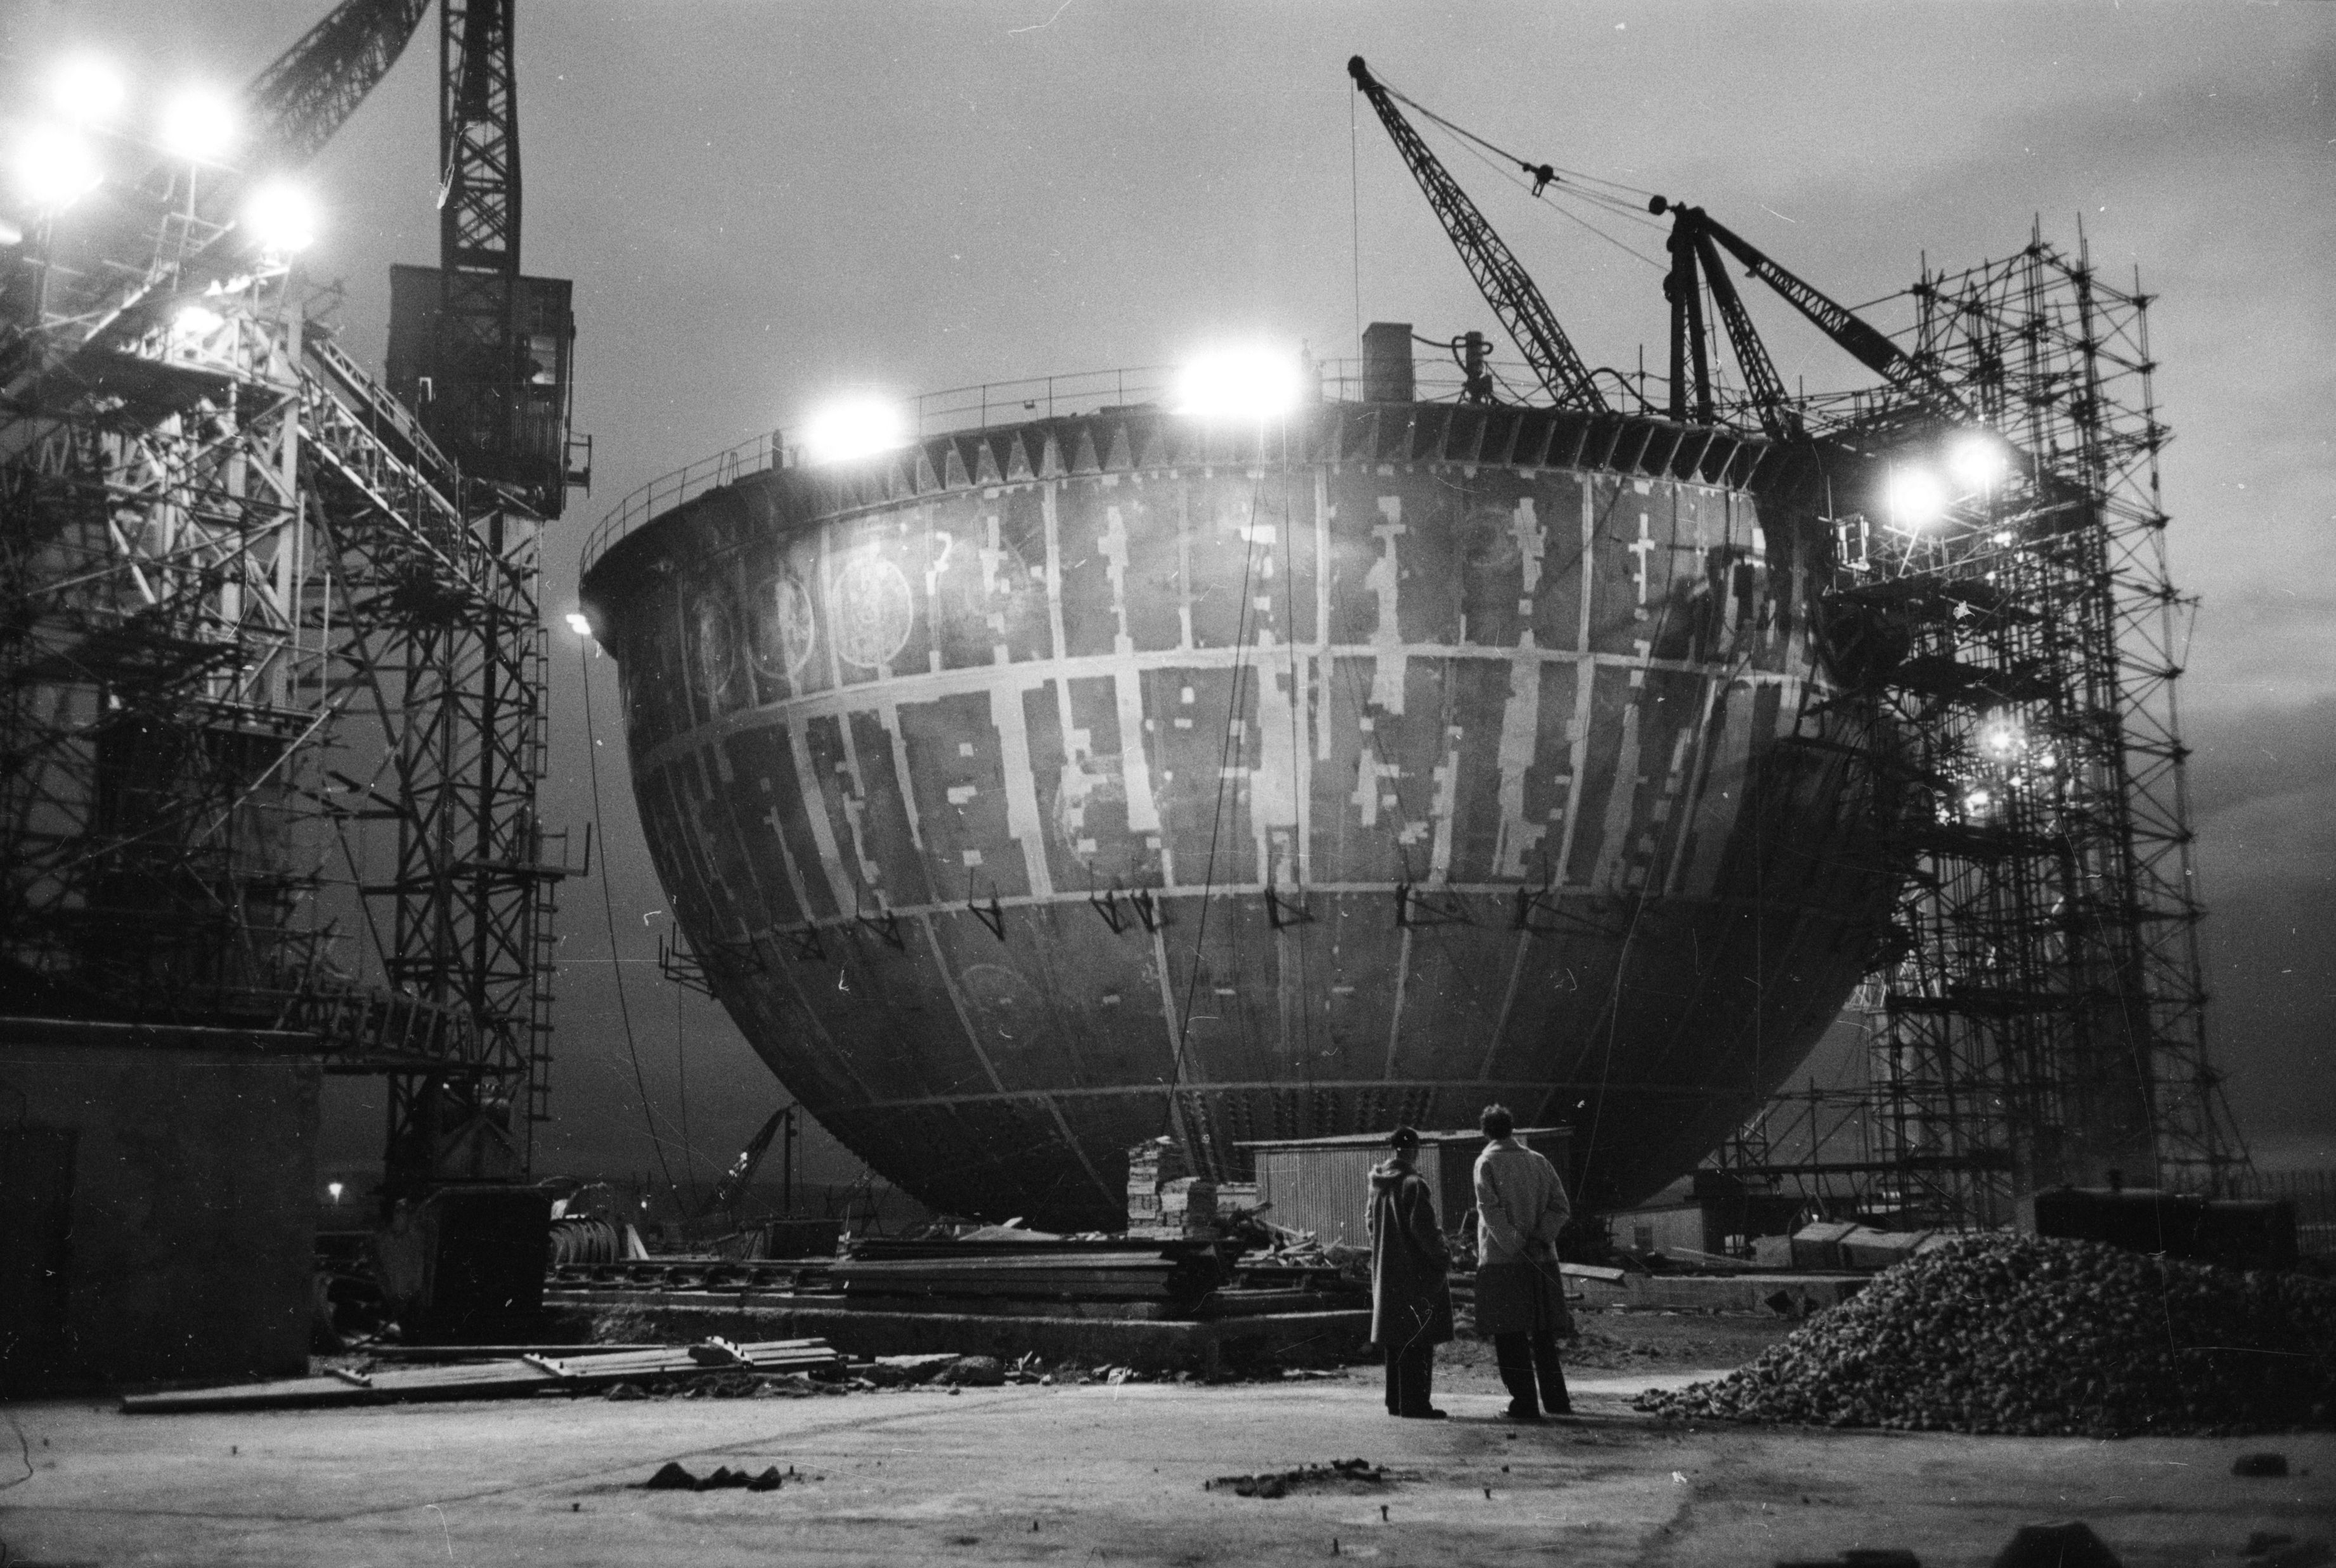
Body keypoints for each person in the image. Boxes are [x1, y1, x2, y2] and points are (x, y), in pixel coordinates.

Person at [1470, 1103, 1574, 1420]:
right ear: (1512, 1128)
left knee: (1510, 1334)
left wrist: (1515, 1243)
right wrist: (1540, 1238)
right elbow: (1560, 1206)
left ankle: (1524, 1403)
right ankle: (1557, 1401)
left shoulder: (1486, 1162)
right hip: (1543, 1259)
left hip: (1503, 1261)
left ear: (1486, 1131)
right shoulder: (1540, 1161)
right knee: (1544, 1335)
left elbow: (1490, 1210)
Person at [1367, 1125, 1453, 1419]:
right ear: (1415, 1149)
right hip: (1414, 1273)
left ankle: (1396, 1402)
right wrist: (1442, 1257)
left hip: (1386, 1270)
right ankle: (1415, 1404)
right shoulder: (1414, 1184)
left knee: (1395, 1339)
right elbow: (1425, 1230)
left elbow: (1370, 1224)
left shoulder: (1378, 1183)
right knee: (1418, 1337)